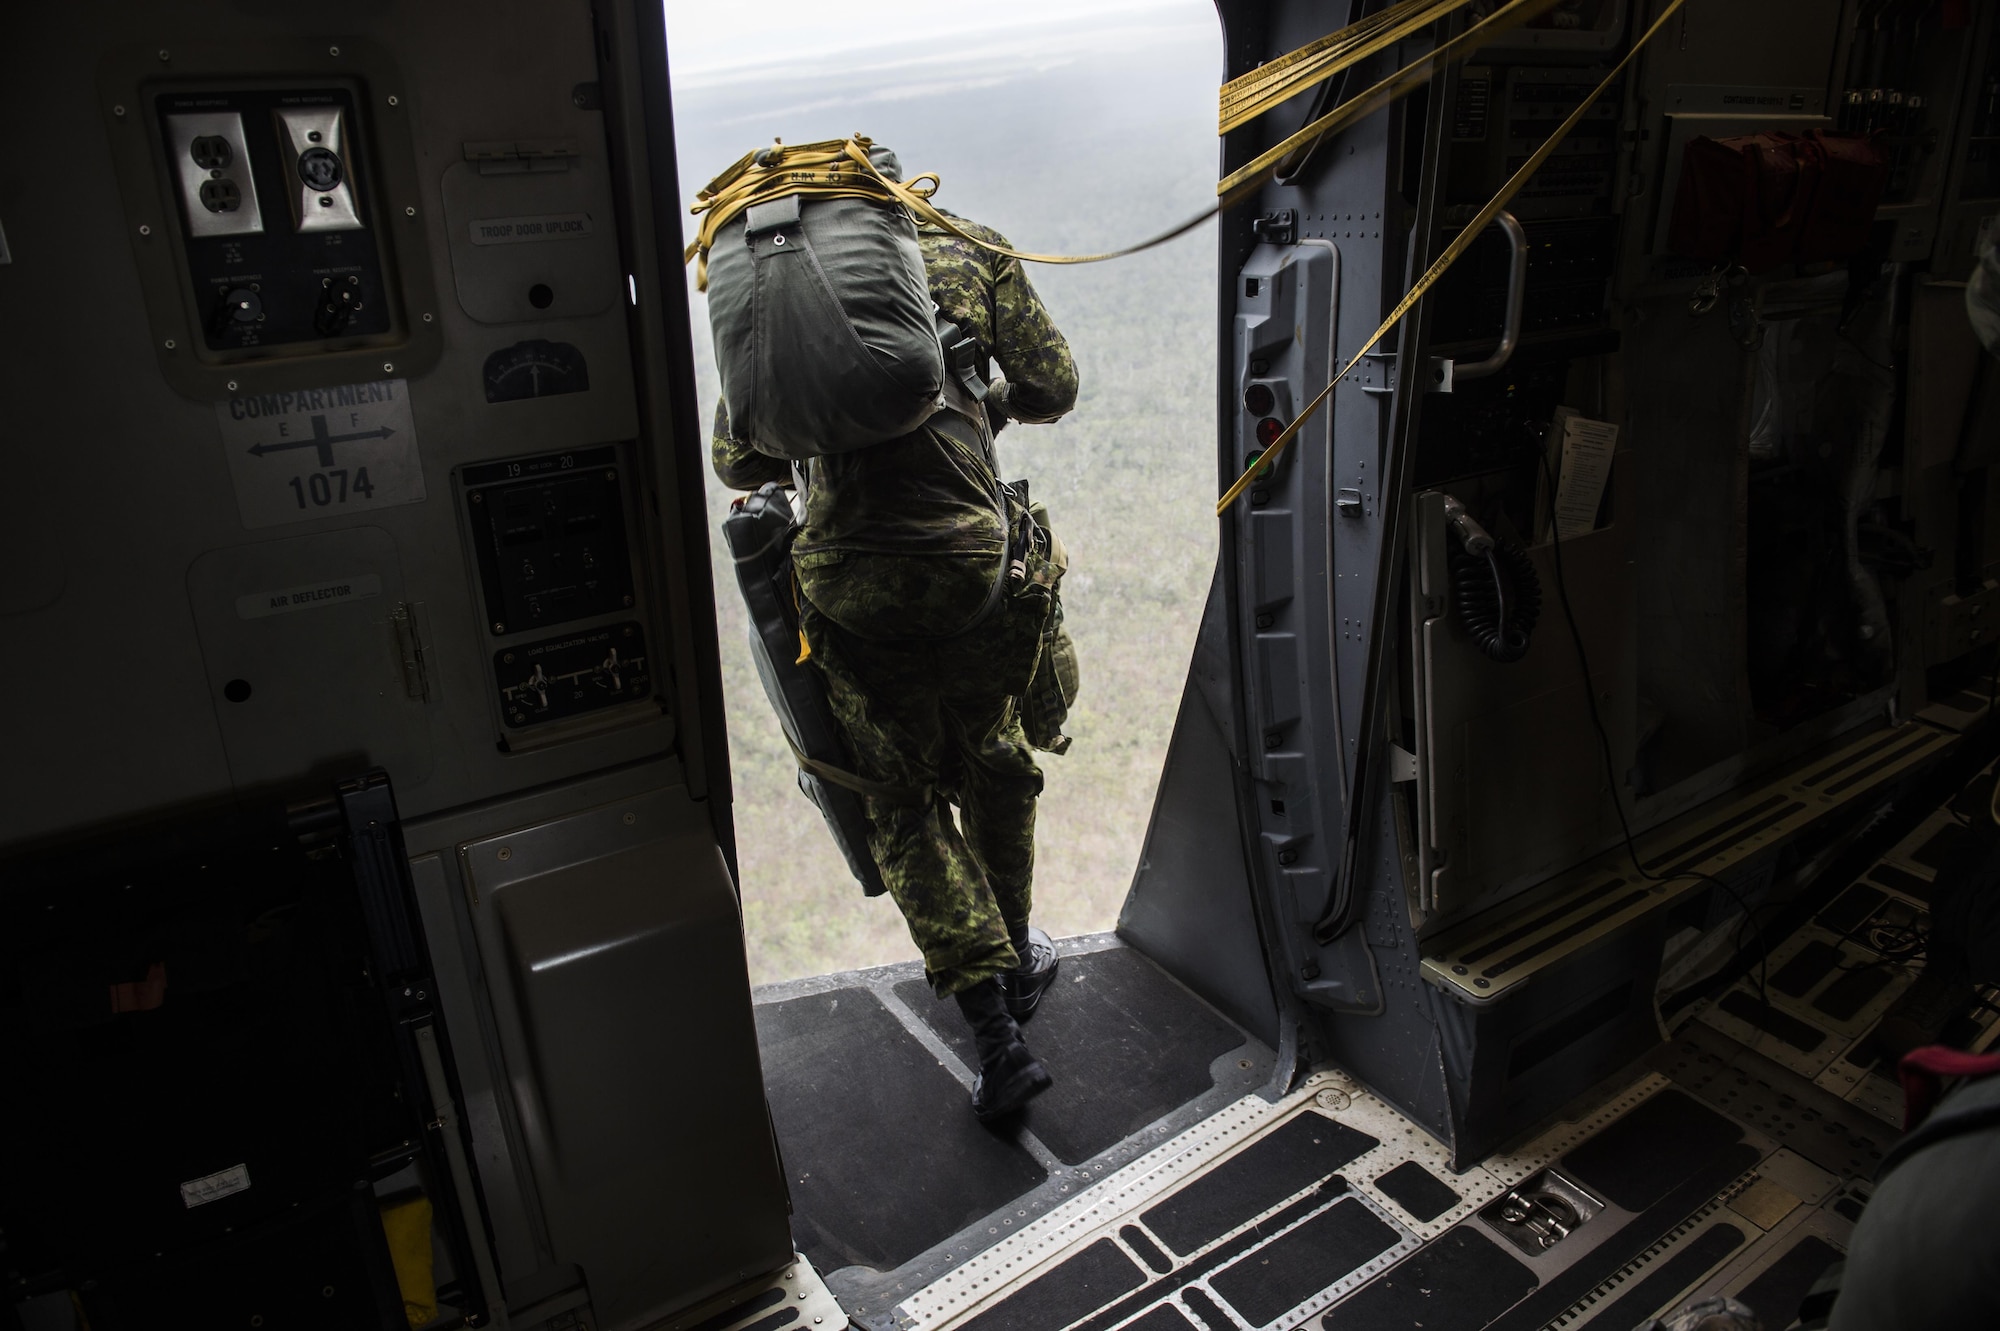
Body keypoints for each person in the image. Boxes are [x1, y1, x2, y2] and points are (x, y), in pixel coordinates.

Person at [710, 146, 1079, 1121]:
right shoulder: (973, 250)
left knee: (903, 802)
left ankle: (995, 1037)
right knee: (996, 759)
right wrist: (975, 398)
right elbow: (1050, 386)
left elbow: (734, 451)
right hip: (974, 577)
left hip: (854, 595)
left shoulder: (779, 301)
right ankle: (1015, 953)